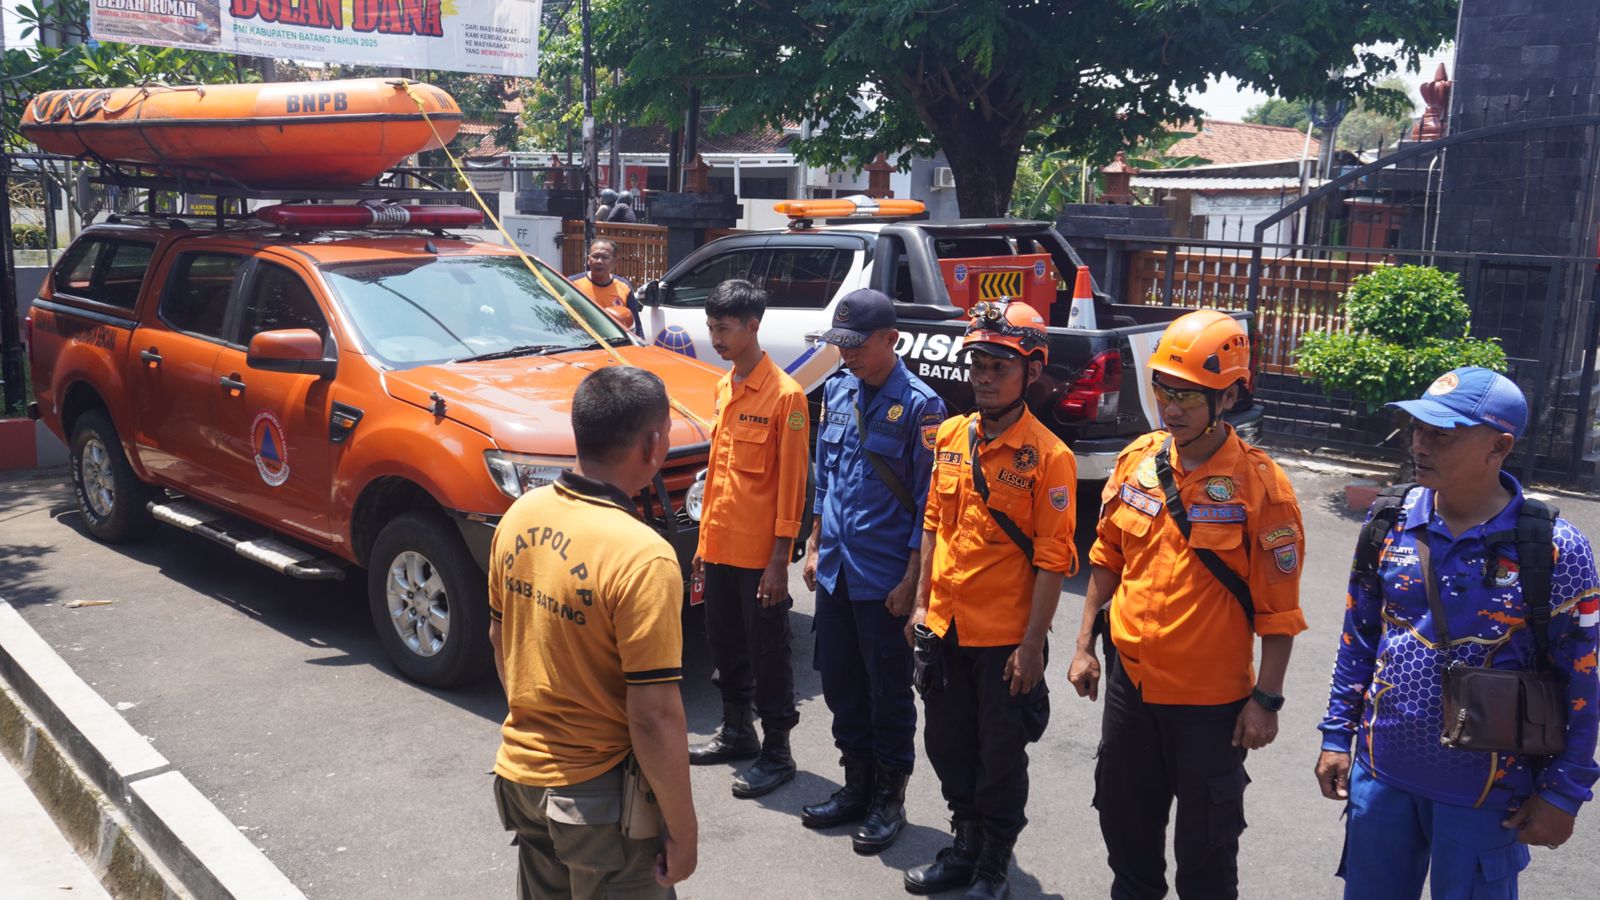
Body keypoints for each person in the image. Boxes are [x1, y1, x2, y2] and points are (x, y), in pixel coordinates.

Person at [1315, 366, 1599, 900]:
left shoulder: (1555, 550)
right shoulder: (1388, 523)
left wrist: (1566, 792)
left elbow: (1581, 683)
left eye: (1442, 435)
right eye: (1419, 429)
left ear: (1500, 446)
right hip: (1382, 778)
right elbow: (1359, 639)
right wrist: (1336, 736)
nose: (1420, 444)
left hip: (1487, 795)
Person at [1066, 308, 1307, 900]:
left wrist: (1266, 701)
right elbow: (1106, 559)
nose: (1170, 408)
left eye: (1188, 397)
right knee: (1126, 830)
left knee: (1205, 853)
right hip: (1131, 689)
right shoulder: (1137, 461)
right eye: (1162, 390)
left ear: (1227, 399)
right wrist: (1083, 648)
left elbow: (1280, 613)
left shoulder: (1262, 489)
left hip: (1210, 707)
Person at [488, 366, 698, 900]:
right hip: (601, 806)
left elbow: (501, 641)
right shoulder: (642, 554)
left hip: (520, 778)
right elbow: (654, 716)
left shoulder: (520, 515)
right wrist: (684, 830)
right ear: (652, 445)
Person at [904, 300, 1078, 900]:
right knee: (947, 745)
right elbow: (933, 523)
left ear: (1031, 372)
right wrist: (923, 604)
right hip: (945, 627)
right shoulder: (952, 435)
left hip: (1005, 639)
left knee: (999, 758)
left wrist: (1033, 648)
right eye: (977, 362)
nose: (982, 375)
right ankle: (965, 843)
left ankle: (994, 863)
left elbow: (1055, 562)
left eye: (999, 365)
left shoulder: (1050, 457)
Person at [801, 288, 946, 854]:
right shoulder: (837, 391)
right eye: (841, 344)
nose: (847, 355)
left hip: (884, 577)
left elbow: (928, 502)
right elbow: (826, 478)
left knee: (888, 692)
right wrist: (814, 545)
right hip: (836, 569)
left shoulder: (920, 406)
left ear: (892, 340)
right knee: (840, 682)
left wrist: (913, 583)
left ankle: (889, 800)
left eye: (857, 345)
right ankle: (855, 786)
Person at [688, 278, 810, 799]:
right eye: (711, 327)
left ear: (753, 326)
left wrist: (779, 561)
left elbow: (792, 488)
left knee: (768, 653)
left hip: (761, 557)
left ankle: (777, 751)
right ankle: (737, 732)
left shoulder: (787, 396)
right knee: (726, 646)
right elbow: (717, 475)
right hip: (719, 547)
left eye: (724, 328)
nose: (716, 337)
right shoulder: (724, 387)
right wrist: (700, 546)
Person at [568, 239, 641, 335]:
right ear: (588, 259)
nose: (599, 261)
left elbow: (636, 326)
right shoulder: (572, 284)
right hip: (580, 344)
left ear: (615, 262)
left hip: (615, 344)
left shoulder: (624, 287)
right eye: (595, 256)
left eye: (605, 257)